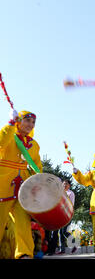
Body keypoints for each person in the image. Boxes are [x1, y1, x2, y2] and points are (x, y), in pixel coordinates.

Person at [0, 110, 42, 259]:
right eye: (27, 120)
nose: (30, 125)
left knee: (23, 223)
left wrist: (38, 183)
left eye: (33, 122)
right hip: (3, 186)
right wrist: (9, 124)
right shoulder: (8, 136)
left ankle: (24, 253)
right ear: (18, 121)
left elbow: (37, 167)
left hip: (23, 189)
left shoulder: (33, 145)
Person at [58, 179, 76, 254]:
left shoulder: (70, 193)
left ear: (69, 185)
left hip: (67, 214)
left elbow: (71, 204)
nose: (64, 185)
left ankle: (74, 244)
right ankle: (62, 250)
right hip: (60, 215)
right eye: (63, 184)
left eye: (66, 184)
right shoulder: (60, 193)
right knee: (61, 232)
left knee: (64, 231)